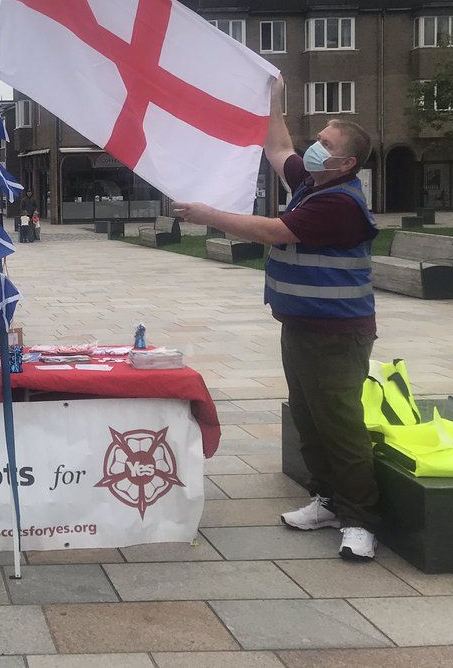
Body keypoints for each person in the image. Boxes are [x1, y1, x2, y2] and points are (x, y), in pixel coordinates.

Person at [172, 76, 379, 562]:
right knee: (309, 419)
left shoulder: (340, 202)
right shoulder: (312, 183)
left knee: (341, 425)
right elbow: (278, 145)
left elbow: (275, 230)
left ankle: (361, 521)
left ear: (345, 162)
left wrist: (210, 214)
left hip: (337, 335)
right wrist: (273, 100)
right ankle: (327, 500)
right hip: (302, 326)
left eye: (325, 144)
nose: (313, 147)